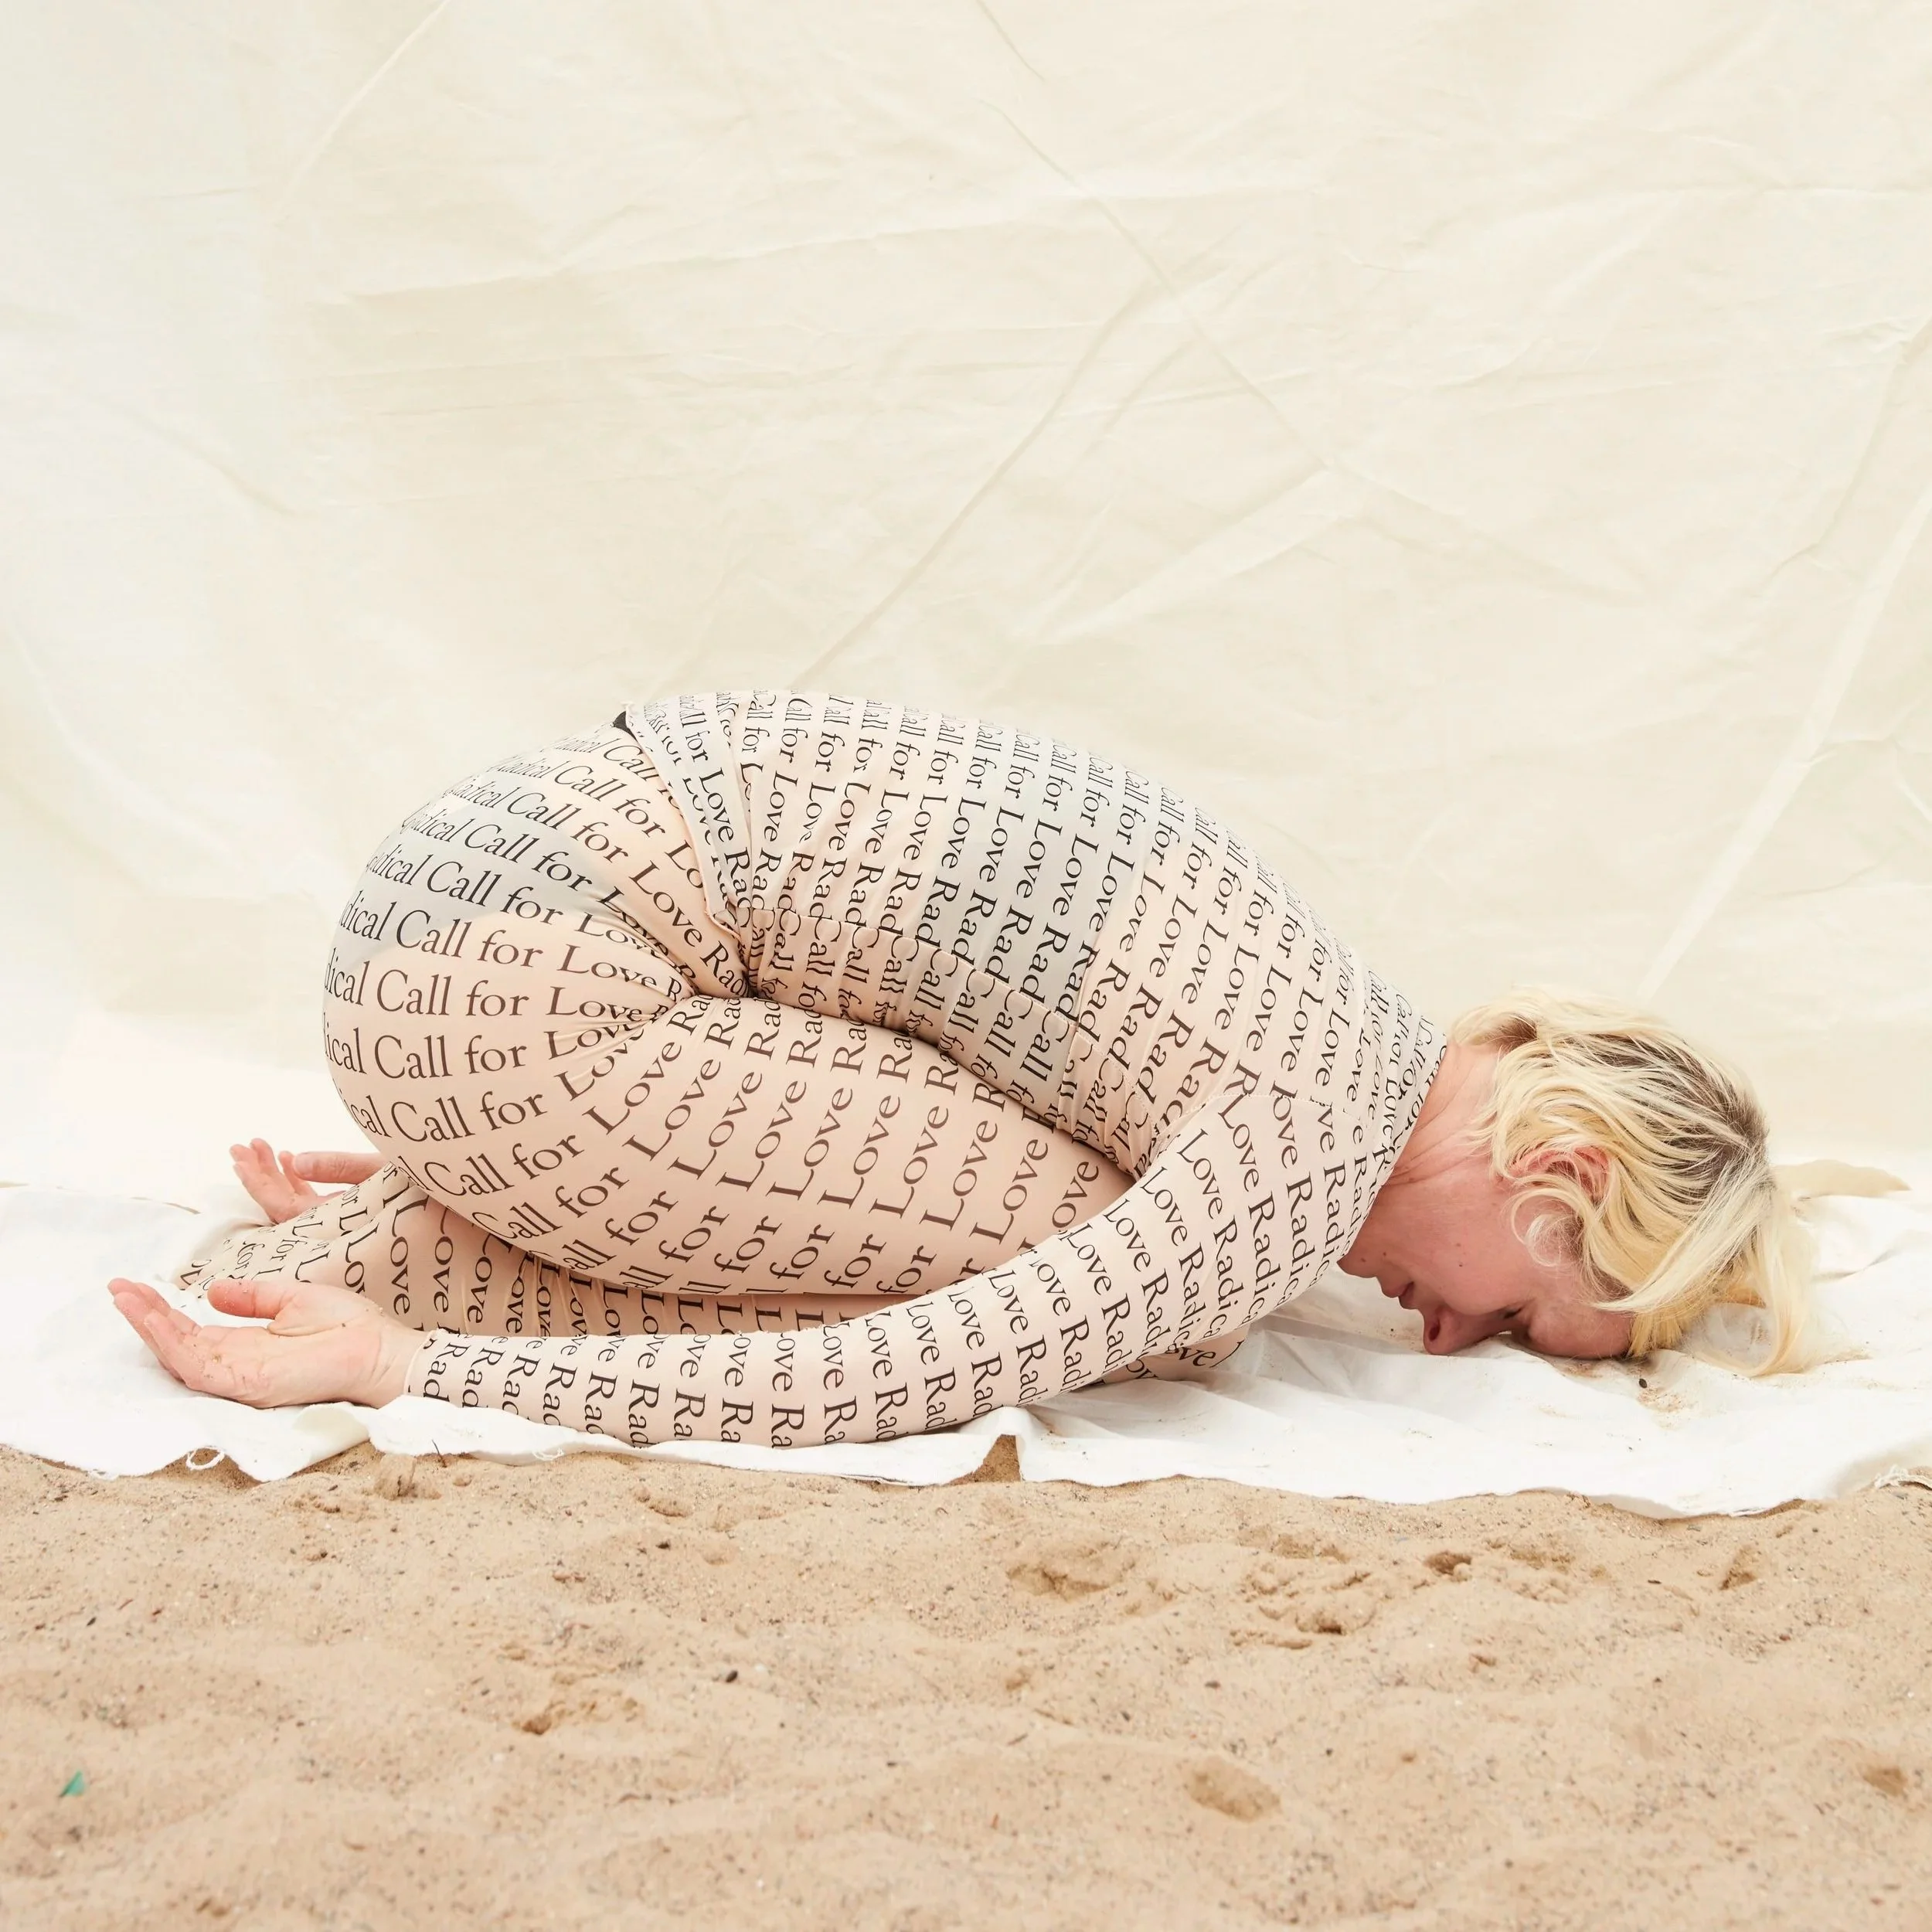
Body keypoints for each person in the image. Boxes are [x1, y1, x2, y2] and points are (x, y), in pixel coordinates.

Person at [109, 690, 1814, 1446]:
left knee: (1101, 1235)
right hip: (516, 995)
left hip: (460, 899)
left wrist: (469, 1140)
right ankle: (382, 1267)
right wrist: (420, 1368)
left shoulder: (1309, 990)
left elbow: (865, 1080)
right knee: (1159, 1301)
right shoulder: (1294, 1149)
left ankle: (446, 1191)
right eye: (1517, 1314)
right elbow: (884, 1374)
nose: (1438, 1334)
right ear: (1562, 1173)